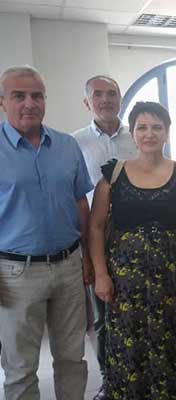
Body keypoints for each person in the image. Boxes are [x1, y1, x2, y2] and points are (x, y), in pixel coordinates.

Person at [88, 101, 176, 399]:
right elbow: (96, 227)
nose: (149, 134)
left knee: (168, 344)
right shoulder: (113, 174)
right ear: (133, 132)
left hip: (170, 278)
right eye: (142, 127)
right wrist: (101, 274)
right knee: (126, 345)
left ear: (167, 132)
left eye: (156, 127)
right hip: (124, 281)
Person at [0, 65, 93, 399]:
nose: (29, 103)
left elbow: (80, 201)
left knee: (72, 359)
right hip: (14, 273)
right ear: (2, 101)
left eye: (37, 96)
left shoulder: (67, 145)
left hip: (69, 266)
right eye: (19, 96)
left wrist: (86, 257)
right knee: (20, 369)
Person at [72, 74, 137, 400]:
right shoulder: (74, 143)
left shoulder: (138, 135)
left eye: (112, 93)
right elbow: (75, 198)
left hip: (135, 235)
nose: (106, 100)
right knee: (103, 316)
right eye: (98, 95)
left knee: (135, 311)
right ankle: (110, 381)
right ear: (87, 103)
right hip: (95, 235)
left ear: (120, 99)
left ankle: (138, 374)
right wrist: (85, 253)